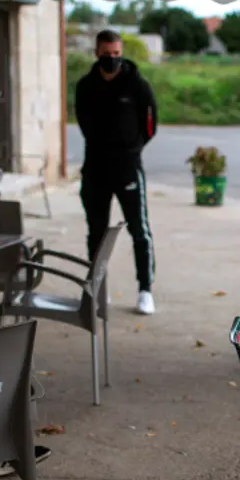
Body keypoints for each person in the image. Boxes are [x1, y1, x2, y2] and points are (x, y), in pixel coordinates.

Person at [75, 29, 158, 315]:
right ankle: (99, 288)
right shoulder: (86, 86)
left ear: (121, 53)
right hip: (95, 169)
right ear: (96, 52)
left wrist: (131, 149)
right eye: (106, 53)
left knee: (139, 230)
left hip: (128, 169)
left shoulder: (137, 85)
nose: (111, 58)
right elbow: (83, 124)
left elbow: (150, 125)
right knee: (96, 232)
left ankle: (145, 290)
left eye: (116, 54)